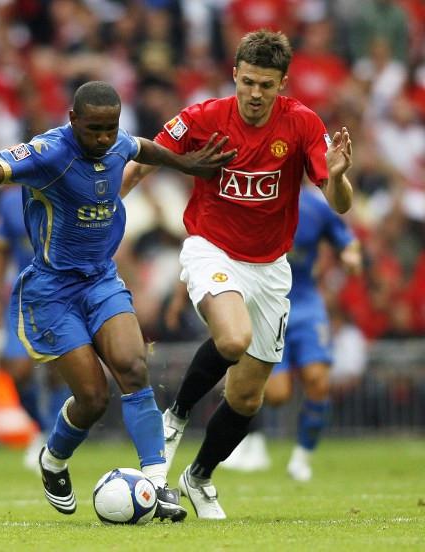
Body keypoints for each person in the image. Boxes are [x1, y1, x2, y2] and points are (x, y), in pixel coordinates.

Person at [0, 80, 236, 522]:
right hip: (53, 290)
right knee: (91, 397)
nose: (104, 138)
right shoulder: (50, 151)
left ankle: (157, 482)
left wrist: (186, 163)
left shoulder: (117, 142)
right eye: (94, 129)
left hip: (101, 279)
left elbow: (143, 148)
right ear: (73, 120)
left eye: (110, 128)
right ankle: (53, 460)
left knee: (132, 367)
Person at [122, 30, 353, 519]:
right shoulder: (204, 117)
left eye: (266, 86)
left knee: (248, 396)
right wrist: (107, 206)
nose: (255, 94)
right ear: (235, 75)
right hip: (212, 249)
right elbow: (146, 159)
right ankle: (176, 415)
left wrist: (337, 176)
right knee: (232, 339)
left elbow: (339, 205)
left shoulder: (304, 124)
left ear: (282, 85)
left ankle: (199, 478)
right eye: (248, 82)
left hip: (270, 267)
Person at [219, 185, 362, 481]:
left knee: (318, 381)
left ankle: (302, 458)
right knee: (276, 394)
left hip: (307, 303)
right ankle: (247, 441)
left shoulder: (315, 206)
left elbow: (346, 239)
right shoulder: (252, 201)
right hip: (269, 304)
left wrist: (350, 255)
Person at [0, 184, 70, 470]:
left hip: (63, 291)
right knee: (17, 369)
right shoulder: (10, 201)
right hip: (24, 294)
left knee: (59, 369)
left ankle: (57, 440)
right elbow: (0, 250)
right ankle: (44, 428)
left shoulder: (67, 189)